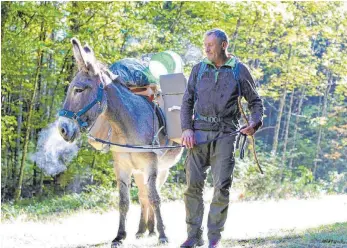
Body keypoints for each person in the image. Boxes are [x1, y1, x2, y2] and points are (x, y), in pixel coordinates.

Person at [180, 28, 264, 248]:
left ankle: (214, 238)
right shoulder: (198, 70)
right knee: (192, 187)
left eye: (211, 44)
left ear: (224, 45)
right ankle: (193, 236)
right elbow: (187, 101)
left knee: (222, 187)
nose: (206, 48)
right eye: (204, 44)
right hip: (197, 133)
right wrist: (186, 129)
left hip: (226, 133)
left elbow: (255, 102)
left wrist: (254, 123)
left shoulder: (239, 70)